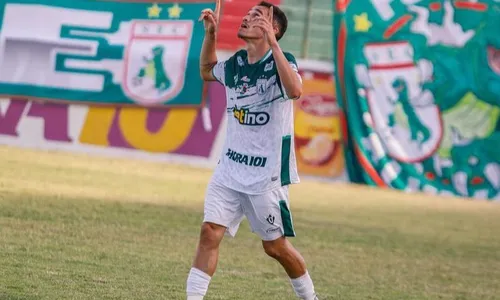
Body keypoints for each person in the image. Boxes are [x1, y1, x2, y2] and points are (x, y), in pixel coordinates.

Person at [186, 1, 319, 299]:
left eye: (256, 16)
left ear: (273, 29)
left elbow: (295, 91)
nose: (246, 18)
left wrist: (274, 45)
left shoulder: (283, 63)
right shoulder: (235, 64)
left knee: (275, 247)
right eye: (247, 15)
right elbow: (207, 70)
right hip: (229, 170)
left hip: (266, 177)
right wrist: (211, 34)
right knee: (209, 232)